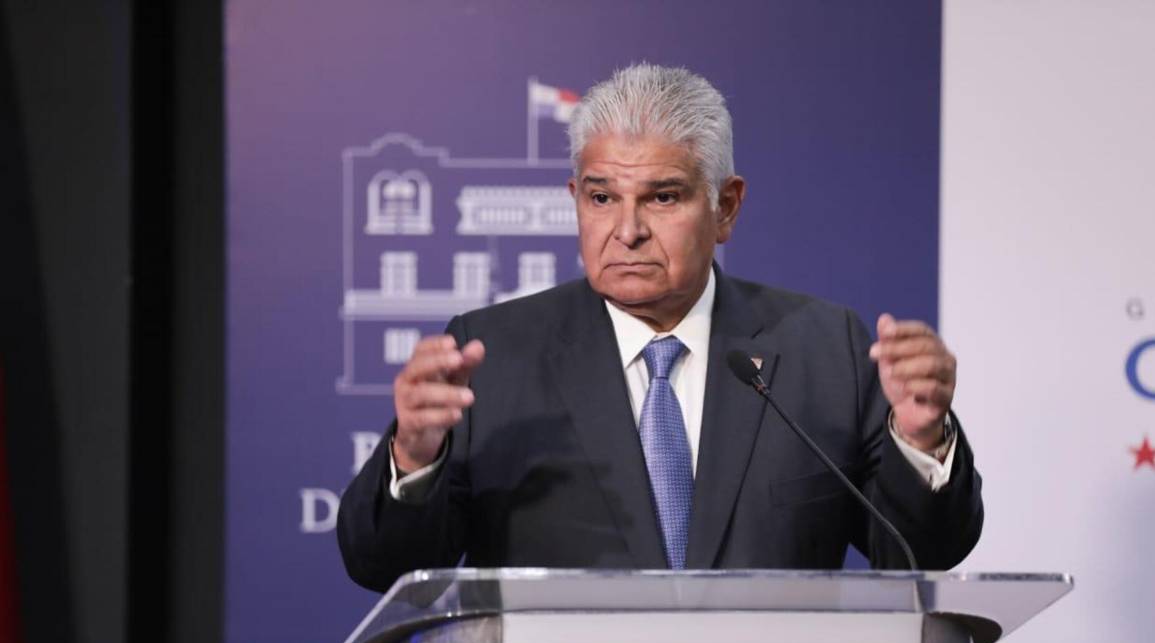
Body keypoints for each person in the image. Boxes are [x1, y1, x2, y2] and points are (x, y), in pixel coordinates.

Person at [337, 64, 982, 593]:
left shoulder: (823, 348)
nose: (627, 231)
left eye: (663, 197)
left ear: (725, 207)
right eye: (602, 198)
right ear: (575, 199)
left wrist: (921, 440)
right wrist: (414, 456)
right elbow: (382, 568)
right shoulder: (495, 355)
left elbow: (923, 554)